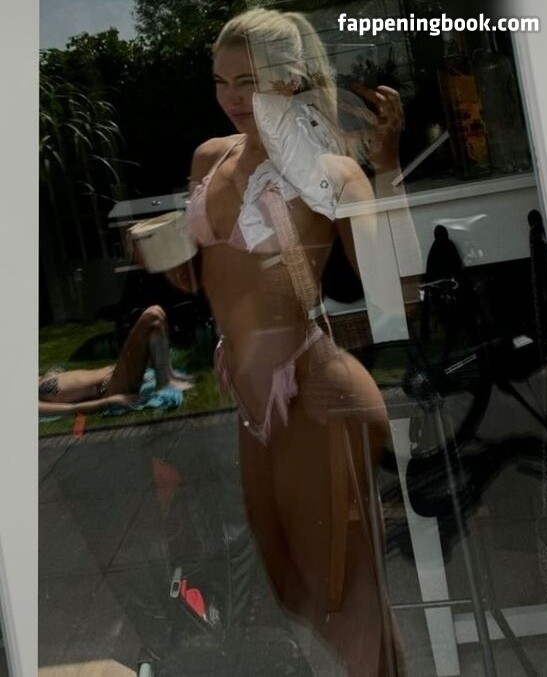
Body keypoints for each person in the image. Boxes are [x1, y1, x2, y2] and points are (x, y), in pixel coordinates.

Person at [158, 8, 407, 675]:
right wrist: (174, 260)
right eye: (221, 82)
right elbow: (212, 270)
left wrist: (386, 166)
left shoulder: (332, 171)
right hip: (250, 402)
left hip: (314, 392)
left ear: (291, 79)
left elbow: (395, 292)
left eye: (248, 81)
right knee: (293, 593)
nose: (231, 97)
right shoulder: (209, 158)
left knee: (347, 604)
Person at [39, 305, 193, 417]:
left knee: (157, 316)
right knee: (152, 315)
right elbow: (70, 409)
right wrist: (109, 402)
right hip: (110, 387)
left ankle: (167, 375)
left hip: (113, 373)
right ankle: (165, 379)